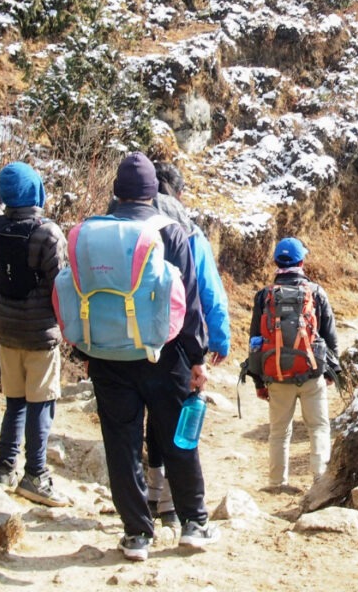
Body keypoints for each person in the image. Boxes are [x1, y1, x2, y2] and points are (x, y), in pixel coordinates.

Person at [87, 152, 219, 561]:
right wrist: (197, 358)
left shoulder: (91, 232)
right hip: (164, 355)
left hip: (108, 355)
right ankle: (193, 523)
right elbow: (190, 303)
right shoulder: (173, 233)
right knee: (178, 437)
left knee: (121, 443)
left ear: (117, 191)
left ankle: (136, 535)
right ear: (152, 192)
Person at [140, 161, 231, 528]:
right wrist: (218, 339)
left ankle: (150, 491)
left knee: (147, 415)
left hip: (130, 336)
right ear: (178, 193)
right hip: (176, 340)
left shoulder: (129, 224)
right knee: (175, 417)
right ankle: (174, 506)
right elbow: (207, 291)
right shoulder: (189, 232)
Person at [0, 161, 70, 507]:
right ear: (37, 192)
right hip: (40, 334)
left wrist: (2, 178)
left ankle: (4, 467)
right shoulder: (49, 233)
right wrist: (70, 330)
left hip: (5, 329)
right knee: (41, 403)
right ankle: (36, 475)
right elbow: (61, 286)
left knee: (14, 401)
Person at [247, 237, 341, 492]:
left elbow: (255, 339)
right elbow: (330, 335)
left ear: (276, 262)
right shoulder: (317, 293)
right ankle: (320, 480)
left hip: (277, 375)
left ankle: (277, 483)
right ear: (301, 261)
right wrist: (333, 371)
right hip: (311, 374)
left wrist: (258, 380)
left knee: (278, 432)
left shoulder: (264, 296)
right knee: (319, 427)